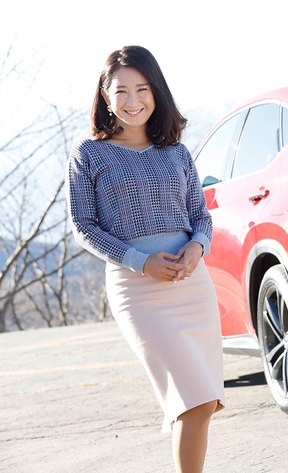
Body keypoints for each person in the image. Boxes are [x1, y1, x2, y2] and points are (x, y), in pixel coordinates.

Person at [66, 45, 224, 473]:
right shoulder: (89, 153)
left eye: (142, 89)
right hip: (138, 290)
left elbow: (200, 217)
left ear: (157, 93)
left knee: (203, 403)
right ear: (105, 94)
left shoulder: (176, 153)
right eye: (121, 92)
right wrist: (140, 261)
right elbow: (84, 226)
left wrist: (197, 247)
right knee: (193, 398)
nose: (133, 101)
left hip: (192, 285)